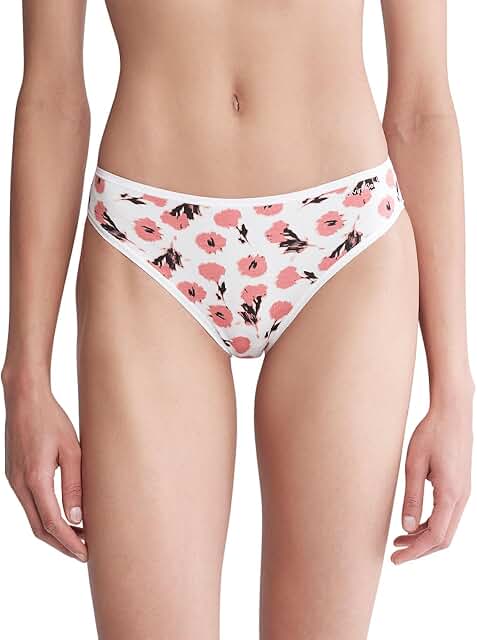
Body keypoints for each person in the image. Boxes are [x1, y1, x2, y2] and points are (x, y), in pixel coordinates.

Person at [2, 1, 473, 638]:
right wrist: (25, 379)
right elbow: (51, 97)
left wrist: (454, 394)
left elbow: (420, 109)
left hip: (344, 237)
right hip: (146, 239)